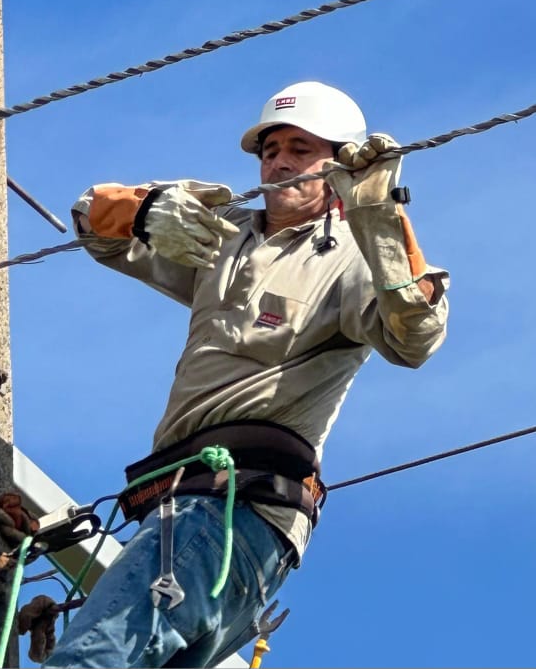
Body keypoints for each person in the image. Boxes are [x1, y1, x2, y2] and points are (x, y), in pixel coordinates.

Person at [45, 81, 449, 668]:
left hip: (231, 508)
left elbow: (416, 336)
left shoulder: (353, 261)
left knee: (90, 660)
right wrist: (147, 210)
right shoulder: (225, 235)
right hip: (190, 511)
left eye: (300, 148)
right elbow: (90, 224)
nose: (279, 161)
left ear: (339, 164)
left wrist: (380, 222)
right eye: (270, 149)